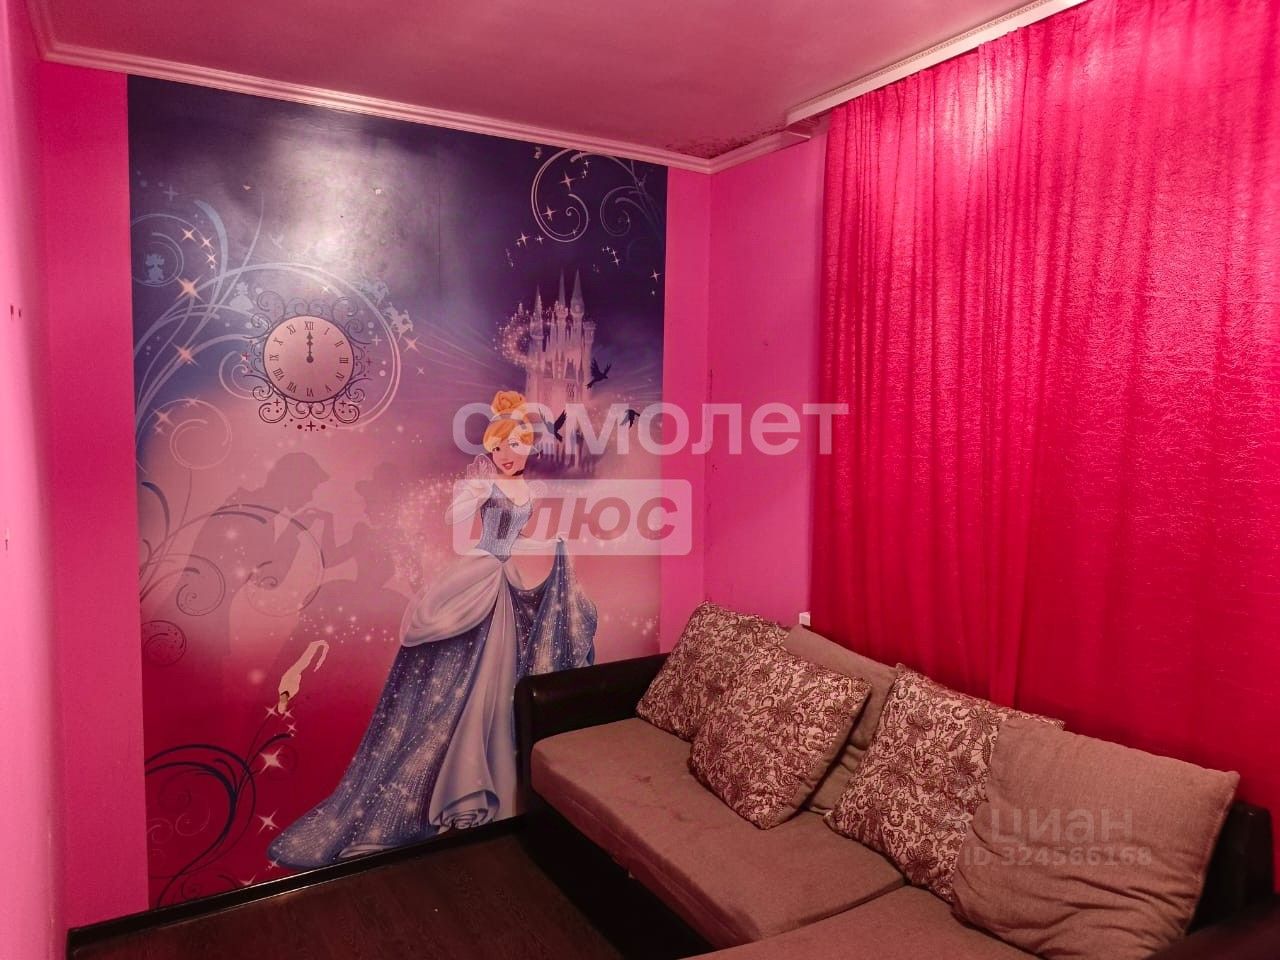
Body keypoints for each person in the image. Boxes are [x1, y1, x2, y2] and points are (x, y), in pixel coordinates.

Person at [269, 391, 596, 866]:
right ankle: (456, 787)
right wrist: (471, 493)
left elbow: (518, 538)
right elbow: (456, 520)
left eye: (514, 445)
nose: (506, 455)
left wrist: (555, 542)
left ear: (528, 445)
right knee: (467, 677)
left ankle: (481, 785)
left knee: (495, 682)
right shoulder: (486, 484)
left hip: (503, 580)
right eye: (498, 447)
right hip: (479, 574)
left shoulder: (529, 491)